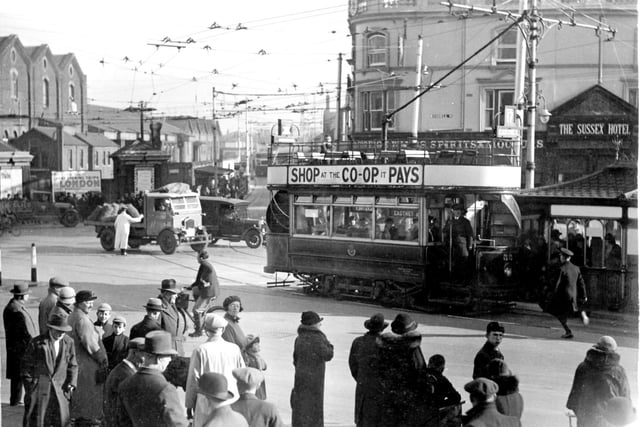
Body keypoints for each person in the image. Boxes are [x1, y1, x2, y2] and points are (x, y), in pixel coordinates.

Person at [117, 330, 188, 427]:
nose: (170, 360)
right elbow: (178, 424)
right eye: (169, 356)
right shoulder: (165, 389)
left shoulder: (125, 384)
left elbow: (122, 421)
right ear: (159, 358)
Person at [186, 313, 246, 425]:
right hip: (231, 398)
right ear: (223, 329)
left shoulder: (200, 350)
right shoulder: (234, 348)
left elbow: (193, 379)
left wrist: (189, 404)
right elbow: (242, 374)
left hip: (207, 401)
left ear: (205, 329)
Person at [377, 312, 436, 426]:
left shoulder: (384, 347)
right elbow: (419, 372)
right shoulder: (412, 349)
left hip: (389, 396)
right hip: (409, 399)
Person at [21, 313, 78, 427]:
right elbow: (26, 367)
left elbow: (73, 365)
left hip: (61, 391)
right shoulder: (37, 343)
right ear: (51, 328)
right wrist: (31, 387)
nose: (61, 334)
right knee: (39, 422)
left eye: (63, 331)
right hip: (40, 391)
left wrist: (71, 383)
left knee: (61, 421)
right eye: (58, 330)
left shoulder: (69, 342)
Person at [567, 336, 631, 427]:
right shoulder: (619, 371)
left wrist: (581, 415)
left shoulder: (583, 367)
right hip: (610, 419)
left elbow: (574, 397)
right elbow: (626, 399)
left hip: (586, 417)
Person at [68, 290, 109, 426]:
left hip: (77, 361)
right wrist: (102, 359)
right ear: (79, 303)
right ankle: (87, 419)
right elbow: (91, 344)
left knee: (80, 395)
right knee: (89, 394)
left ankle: (80, 417)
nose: (91, 305)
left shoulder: (74, 315)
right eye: (88, 302)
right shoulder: (82, 320)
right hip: (87, 364)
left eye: (92, 302)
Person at [291, 311, 334, 427]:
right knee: (314, 410)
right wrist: (329, 345)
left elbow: (295, 359)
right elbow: (328, 355)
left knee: (301, 408)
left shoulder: (299, 338)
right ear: (314, 324)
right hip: (315, 381)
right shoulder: (318, 338)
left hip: (300, 378)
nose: (320, 324)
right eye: (319, 322)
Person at [348, 313, 388, 427]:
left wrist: (360, 377)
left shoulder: (358, 341)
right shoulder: (385, 344)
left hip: (362, 383)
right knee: (376, 418)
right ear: (381, 329)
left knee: (361, 416)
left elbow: (353, 365)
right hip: (379, 387)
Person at [3, 282, 38, 406]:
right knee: (19, 377)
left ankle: (16, 400)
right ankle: (16, 402)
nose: (28, 296)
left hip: (15, 349)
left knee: (17, 378)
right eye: (27, 294)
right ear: (22, 296)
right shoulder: (16, 310)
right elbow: (24, 333)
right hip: (21, 350)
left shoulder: (14, 306)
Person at [547, 247, 588, 339]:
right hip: (573, 295)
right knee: (569, 311)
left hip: (562, 296)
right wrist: (584, 295)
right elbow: (581, 283)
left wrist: (551, 294)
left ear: (563, 257)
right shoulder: (576, 268)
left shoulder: (561, 269)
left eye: (561, 256)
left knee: (557, 312)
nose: (560, 257)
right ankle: (581, 314)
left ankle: (568, 331)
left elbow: (556, 283)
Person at [103, 337, 144, 427]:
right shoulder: (125, 375)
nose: (146, 360)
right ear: (134, 353)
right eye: (144, 355)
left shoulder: (122, 370)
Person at [187, 250, 220, 337]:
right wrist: (190, 287)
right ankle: (200, 309)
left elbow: (201, 281)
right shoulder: (205, 264)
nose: (196, 259)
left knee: (195, 310)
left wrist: (191, 287)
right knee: (194, 289)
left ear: (201, 258)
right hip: (210, 289)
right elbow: (198, 281)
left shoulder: (205, 266)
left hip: (209, 292)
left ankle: (198, 331)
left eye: (197, 257)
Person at [158, 278, 189, 355]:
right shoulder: (159, 307)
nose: (176, 296)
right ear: (165, 293)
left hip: (178, 348)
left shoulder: (174, 305)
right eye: (173, 293)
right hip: (166, 349)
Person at [444, 204, 474, 281]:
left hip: (462, 244)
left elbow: (470, 234)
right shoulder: (450, 221)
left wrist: (470, 245)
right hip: (452, 244)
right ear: (453, 212)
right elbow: (444, 231)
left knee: (463, 261)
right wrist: (448, 225)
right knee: (453, 262)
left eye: (459, 211)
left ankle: (462, 280)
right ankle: (453, 278)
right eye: (456, 210)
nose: (458, 212)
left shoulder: (465, 222)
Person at [242, 334, 268, 400]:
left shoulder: (257, 356)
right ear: (250, 347)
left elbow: (265, 367)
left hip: (259, 384)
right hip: (253, 385)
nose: (258, 345)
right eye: (256, 344)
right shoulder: (247, 358)